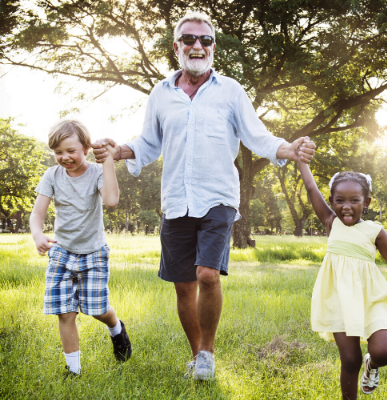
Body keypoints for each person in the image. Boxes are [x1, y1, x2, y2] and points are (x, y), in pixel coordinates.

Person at [91, 12, 315, 380]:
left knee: (207, 275)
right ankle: (196, 356)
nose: (198, 46)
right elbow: (148, 143)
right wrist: (120, 152)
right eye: (190, 39)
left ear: (213, 47)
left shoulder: (231, 90)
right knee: (184, 286)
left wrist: (287, 148)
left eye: (205, 40)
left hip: (218, 197)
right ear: (176, 46)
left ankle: (208, 354)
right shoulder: (160, 94)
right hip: (176, 198)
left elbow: (256, 135)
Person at [297, 160, 387, 400]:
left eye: (354, 200)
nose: (346, 206)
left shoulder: (375, 231)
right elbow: (311, 188)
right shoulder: (330, 222)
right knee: (350, 359)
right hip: (339, 300)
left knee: (384, 351)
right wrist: (301, 160)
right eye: (339, 200)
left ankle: (372, 365)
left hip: (372, 299)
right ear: (331, 202)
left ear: (366, 203)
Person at [29, 119, 132, 378]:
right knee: (65, 311)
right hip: (61, 252)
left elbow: (111, 200)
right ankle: (73, 370)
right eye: (58, 152)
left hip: (93, 253)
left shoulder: (97, 173)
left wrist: (108, 162)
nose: (64, 157)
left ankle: (117, 328)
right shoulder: (51, 175)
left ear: (86, 148)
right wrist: (38, 234)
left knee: (97, 309)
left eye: (70, 150)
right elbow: (37, 214)